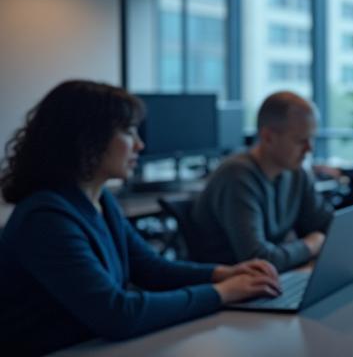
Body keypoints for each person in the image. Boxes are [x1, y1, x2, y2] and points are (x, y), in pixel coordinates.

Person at [0, 81, 279, 356]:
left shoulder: (100, 200)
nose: (140, 145)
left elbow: (149, 267)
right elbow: (118, 314)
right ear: (87, 139)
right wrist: (223, 293)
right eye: (128, 132)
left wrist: (222, 273)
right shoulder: (46, 219)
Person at [191, 92, 334, 272]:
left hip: (276, 279)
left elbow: (329, 226)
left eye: (312, 138)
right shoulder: (237, 176)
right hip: (236, 291)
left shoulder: (296, 173)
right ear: (267, 137)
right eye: (301, 140)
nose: (310, 149)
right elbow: (258, 259)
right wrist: (310, 245)